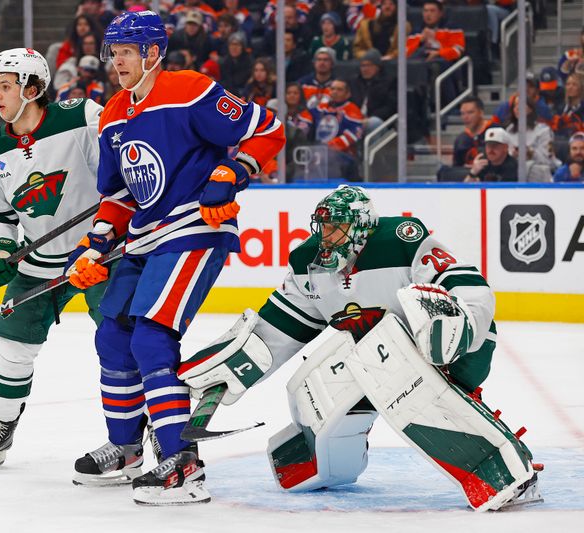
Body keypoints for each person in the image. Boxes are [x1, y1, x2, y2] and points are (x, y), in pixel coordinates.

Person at [178, 184, 542, 511]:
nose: (326, 236)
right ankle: (318, 460)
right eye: (322, 227)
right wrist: (234, 364)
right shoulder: (309, 262)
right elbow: (280, 327)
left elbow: (467, 285)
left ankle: (497, 467)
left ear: (363, 228)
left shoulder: (401, 239)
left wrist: (459, 327)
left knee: (404, 378)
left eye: (336, 227)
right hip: (382, 354)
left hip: (459, 344)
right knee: (324, 382)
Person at [65, 10, 284, 506]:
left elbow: (268, 130)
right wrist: (93, 244)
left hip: (193, 231)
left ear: (152, 52)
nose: (115, 61)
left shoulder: (190, 88)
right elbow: (119, 196)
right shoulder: (115, 113)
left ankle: (182, 465)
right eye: (113, 52)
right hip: (144, 238)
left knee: (151, 336)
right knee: (112, 336)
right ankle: (125, 450)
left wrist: (232, 173)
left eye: (125, 51)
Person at [0, 48, 105, 470]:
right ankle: (2, 427)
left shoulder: (81, 118)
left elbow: (118, 170)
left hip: (100, 254)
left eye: (6, 86)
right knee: (12, 344)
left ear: (34, 88)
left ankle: (139, 433)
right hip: (39, 261)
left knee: (123, 343)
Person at [309, 78, 364, 180]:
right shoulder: (322, 107)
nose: (335, 92)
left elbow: (354, 133)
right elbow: (307, 118)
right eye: (333, 89)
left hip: (344, 154)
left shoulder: (352, 109)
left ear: (347, 94)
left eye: (339, 90)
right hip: (319, 151)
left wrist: (331, 146)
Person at [348, 48, 395, 134]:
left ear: (378, 67)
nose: (365, 69)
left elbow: (390, 107)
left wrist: (370, 118)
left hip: (379, 120)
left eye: (369, 65)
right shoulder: (354, 82)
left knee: (373, 123)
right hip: (355, 118)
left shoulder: (389, 82)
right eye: (362, 66)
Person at [453, 95, 493, 167]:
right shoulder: (460, 140)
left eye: (470, 112)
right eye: (462, 113)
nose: (466, 117)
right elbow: (456, 167)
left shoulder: (495, 131)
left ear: (481, 113)